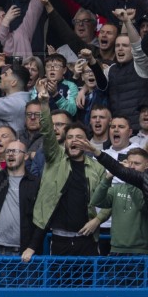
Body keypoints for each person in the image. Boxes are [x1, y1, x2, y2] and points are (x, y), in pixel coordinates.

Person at [22, 80, 108, 261]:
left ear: (87, 143)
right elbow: (47, 131)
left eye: (79, 137)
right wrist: (44, 103)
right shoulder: (55, 158)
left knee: (87, 288)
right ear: (65, 142)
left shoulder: (96, 168)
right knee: (58, 288)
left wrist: (98, 220)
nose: (74, 140)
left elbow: (112, 199)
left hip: (88, 242)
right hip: (59, 240)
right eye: (69, 137)